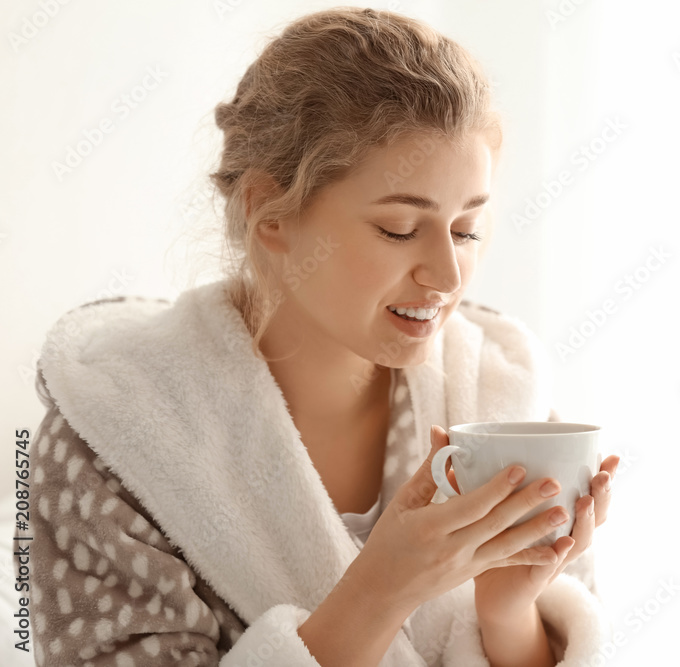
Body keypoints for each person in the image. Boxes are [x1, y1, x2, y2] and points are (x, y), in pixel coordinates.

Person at [14, 7, 619, 666]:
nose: (447, 274)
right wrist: (378, 592)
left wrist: (508, 612)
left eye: (467, 229)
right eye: (397, 229)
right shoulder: (112, 441)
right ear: (268, 215)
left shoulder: (503, 404)